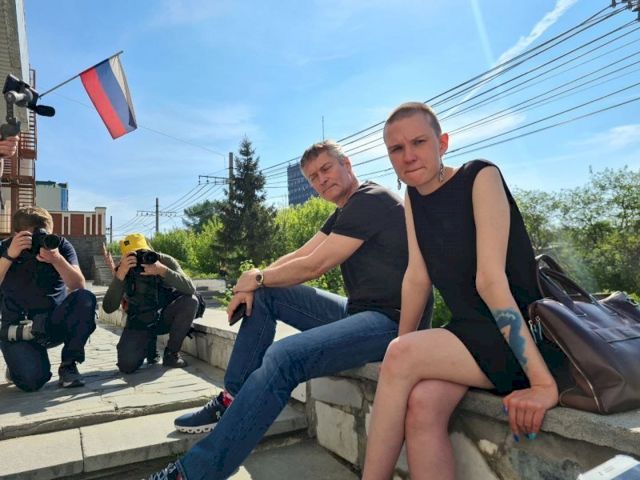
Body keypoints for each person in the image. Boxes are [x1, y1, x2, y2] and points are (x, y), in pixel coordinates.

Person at [148, 140, 433, 480]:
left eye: (326, 169)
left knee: (284, 358)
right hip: (360, 313)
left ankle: (192, 473)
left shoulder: (371, 199)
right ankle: (232, 398)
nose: (321, 180)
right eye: (313, 177)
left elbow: (316, 265)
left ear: (347, 164)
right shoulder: (344, 211)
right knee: (267, 294)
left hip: (395, 323)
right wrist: (255, 281)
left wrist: (257, 277)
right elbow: (300, 254)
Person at [361, 102, 564, 480]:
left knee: (401, 356)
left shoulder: (480, 176)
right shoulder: (413, 197)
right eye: (396, 149)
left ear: (443, 143)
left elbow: (490, 281)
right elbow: (417, 277)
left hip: (518, 331)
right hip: (470, 333)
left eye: (419, 142)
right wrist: (399, 358)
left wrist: (541, 383)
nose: (408, 156)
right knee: (422, 404)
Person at [0, 206, 97, 391]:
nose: (39, 241)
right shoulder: (4, 248)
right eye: (31, 237)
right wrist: (9, 256)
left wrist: (57, 259)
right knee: (32, 382)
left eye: (43, 235)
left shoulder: (59, 246)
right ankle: (17, 365)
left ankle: (69, 364)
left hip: (53, 322)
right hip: (19, 329)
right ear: (16, 234)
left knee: (85, 298)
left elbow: (78, 285)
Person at [102, 233, 199, 372]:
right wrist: (121, 274)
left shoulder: (163, 261)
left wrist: (163, 271)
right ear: (126, 257)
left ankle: (171, 354)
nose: (141, 258)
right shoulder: (124, 270)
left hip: (164, 317)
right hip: (140, 321)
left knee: (191, 301)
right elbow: (108, 308)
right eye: (135, 255)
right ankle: (148, 345)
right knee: (126, 365)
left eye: (143, 252)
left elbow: (190, 289)